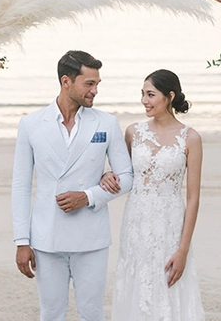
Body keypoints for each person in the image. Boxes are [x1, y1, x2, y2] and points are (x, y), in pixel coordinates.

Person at [11, 50, 134, 321]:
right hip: (46, 238)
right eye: (89, 84)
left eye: (97, 84)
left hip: (91, 238)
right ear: (66, 81)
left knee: (92, 313)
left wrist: (89, 195)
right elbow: (20, 186)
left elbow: (126, 177)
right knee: (51, 313)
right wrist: (22, 241)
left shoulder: (106, 123)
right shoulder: (31, 124)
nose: (95, 91)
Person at [101, 69, 205, 321]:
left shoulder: (191, 138)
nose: (144, 101)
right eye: (143, 94)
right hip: (135, 222)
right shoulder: (133, 132)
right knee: (135, 281)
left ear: (169, 96)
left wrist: (183, 249)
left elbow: (193, 199)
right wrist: (106, 175)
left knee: (167, 284)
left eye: (151, 94)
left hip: (169, 224)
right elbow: (123, 175)